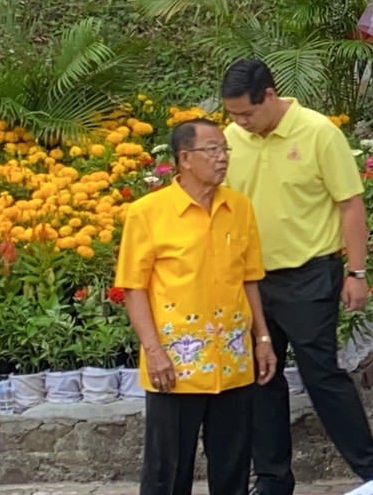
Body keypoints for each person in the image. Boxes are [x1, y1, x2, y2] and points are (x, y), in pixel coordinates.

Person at [221, 59, 373, 493]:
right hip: (251, 280)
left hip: (309, 274)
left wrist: (356, 271)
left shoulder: (317, 133)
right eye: (233, 114)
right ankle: (273, 480)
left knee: (321, 373)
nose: (240, 122)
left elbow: (350, 203)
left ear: (270, 96)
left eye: (247, 113)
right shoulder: (231, 139)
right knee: (261, 377)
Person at [118, 118, 277, 495]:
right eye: (213, 150)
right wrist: (154, 352)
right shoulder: (148, 212)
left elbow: (249, 278)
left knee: (233, 467)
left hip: (233, 359)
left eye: (225, 150)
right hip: (175, 364)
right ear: (185, 159)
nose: (222, 158)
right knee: (168, 473)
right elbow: (134, 288)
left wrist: (263, 337)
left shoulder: (239, 207)